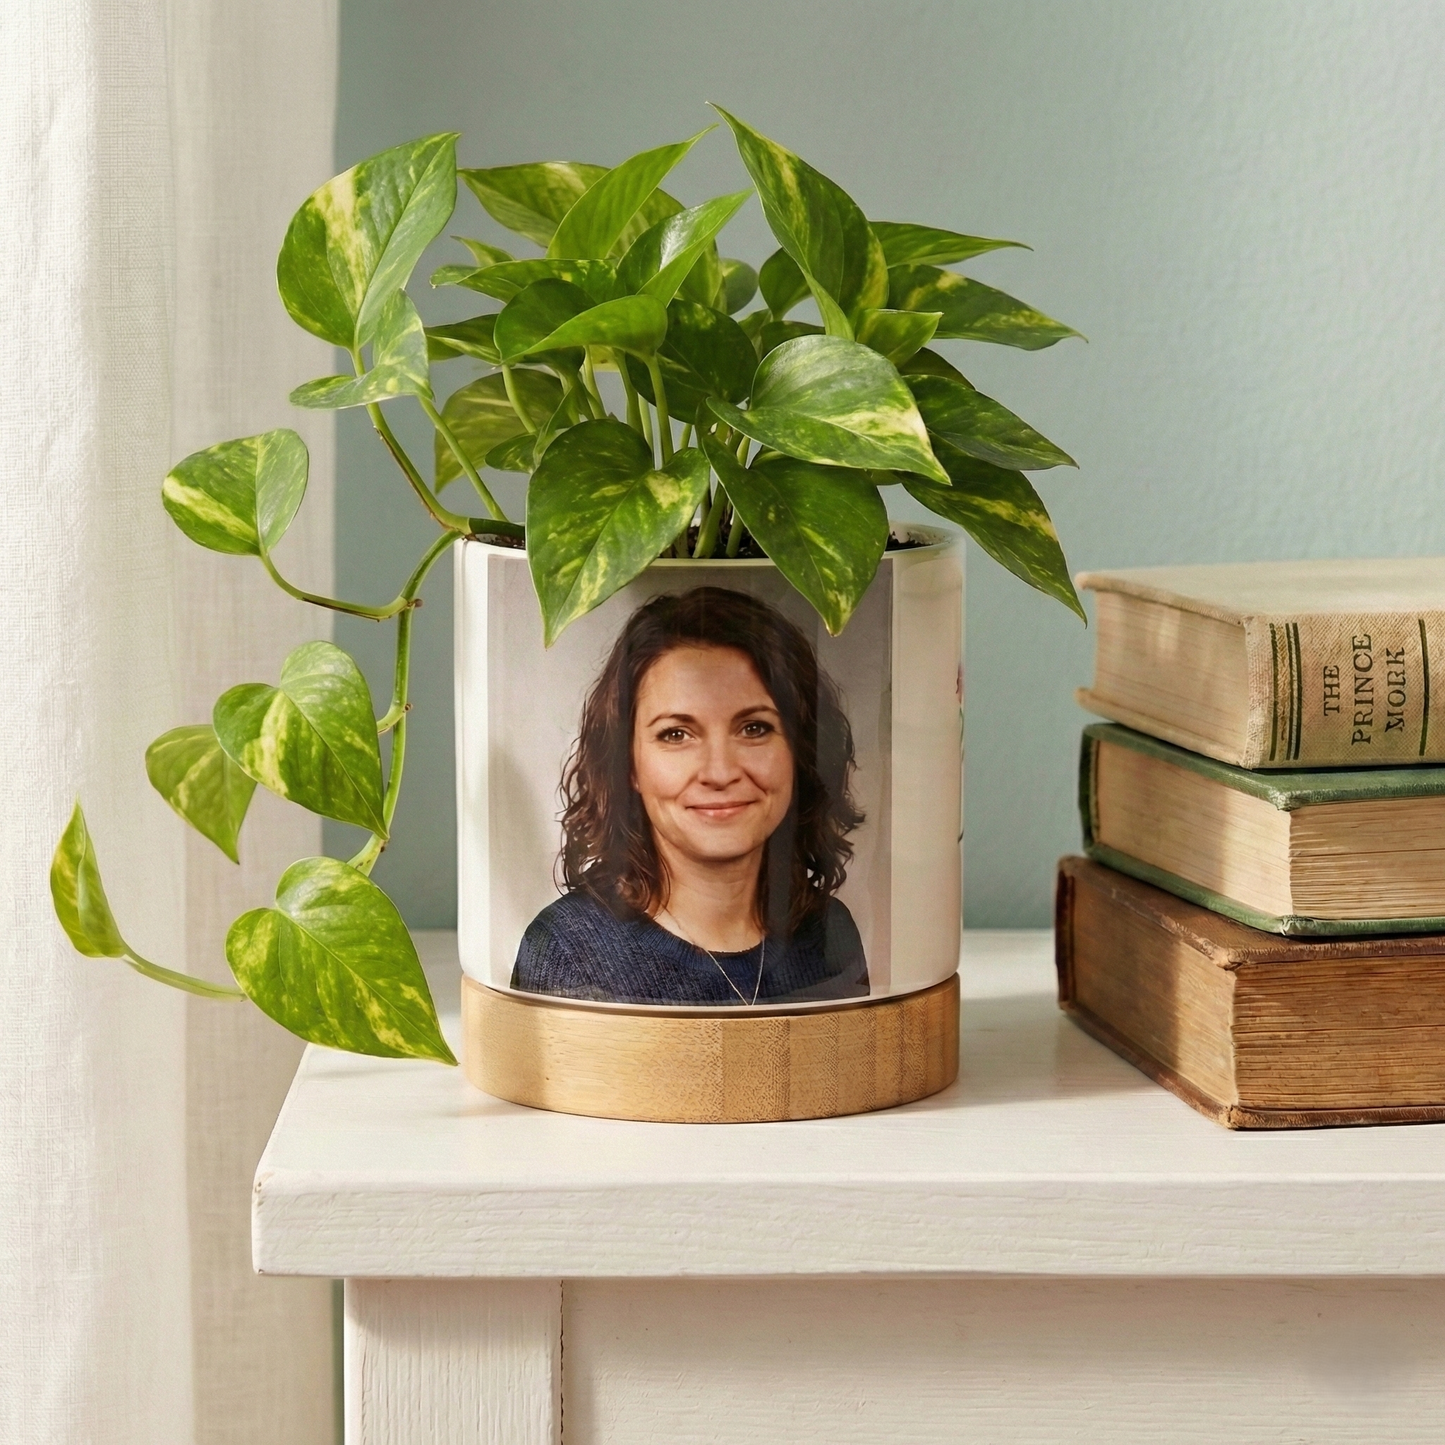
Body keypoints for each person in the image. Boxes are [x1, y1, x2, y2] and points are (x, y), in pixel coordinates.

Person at [511, 586, 869, 1006]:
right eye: (676, 734)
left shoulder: (830, 935)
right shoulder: (569, 954)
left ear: (800, 750)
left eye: (754, 728)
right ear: (628, 765)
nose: (719, 772)